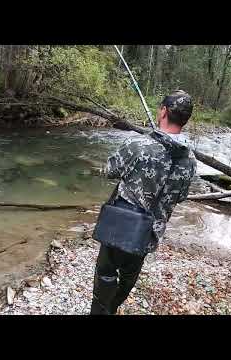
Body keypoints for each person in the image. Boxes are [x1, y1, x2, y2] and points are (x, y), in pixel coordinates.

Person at [89, 90, 197, 315]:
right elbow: (180, 196)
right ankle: (112, 307)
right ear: (185, 119)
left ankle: (101, 311)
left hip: (121, 223)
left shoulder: (138, 144)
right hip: (151, 230)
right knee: (130, 273)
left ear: (164, 111)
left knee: (106, 272)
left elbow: (110, 170)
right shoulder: (190, 161)